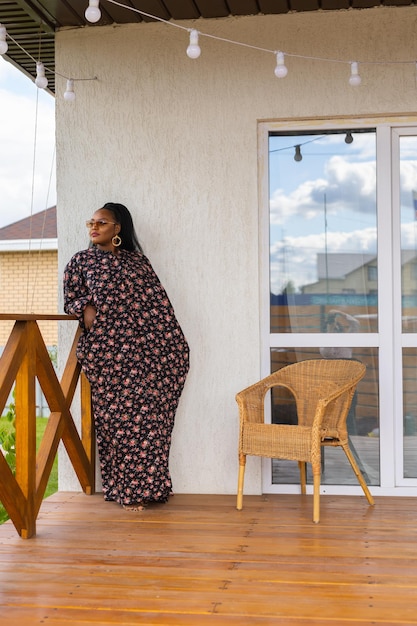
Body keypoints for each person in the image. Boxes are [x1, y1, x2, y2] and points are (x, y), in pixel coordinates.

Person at [63, 202, 190, 511]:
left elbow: (158, 307)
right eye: (91, 222)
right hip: (108, 355)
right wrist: (85, 308)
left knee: (148, 420)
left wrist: (170, 346)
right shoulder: (81, 262)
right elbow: (70, 299)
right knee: (116, 422)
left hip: (144, 356)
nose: (94, 227)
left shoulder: (138, 263)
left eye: (102, 223)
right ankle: (125, 491)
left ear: (117, 229)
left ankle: (152, 488)